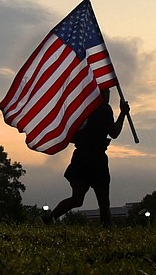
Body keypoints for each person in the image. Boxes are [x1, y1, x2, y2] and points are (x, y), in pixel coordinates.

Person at [45, 89, 130, 227]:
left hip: (81, 158)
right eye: (106, 92)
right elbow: (114, 132)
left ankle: (49, 219)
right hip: (94, 159)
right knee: (102, 201)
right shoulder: (103, 109)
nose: (108, 95)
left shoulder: (81, 109)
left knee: (78, 198)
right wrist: (123, 114)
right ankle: (106, 230)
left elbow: (71, 136)